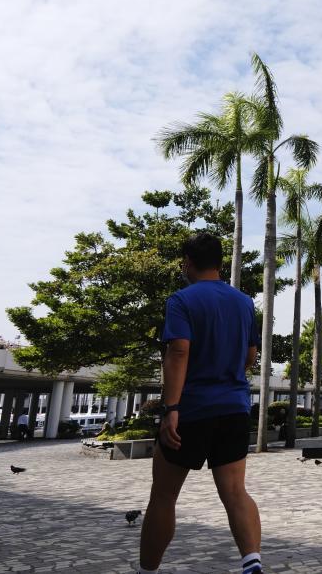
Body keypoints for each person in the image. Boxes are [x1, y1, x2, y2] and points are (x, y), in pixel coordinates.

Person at [138, 233, 263, 574]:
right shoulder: (244, 303)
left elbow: (179, 350)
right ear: (220, 263)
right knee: (236, 492)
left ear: (188, 262)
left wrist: (170, 409)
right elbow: (250, 356)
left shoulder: (181, 300)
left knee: (163, 496)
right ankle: (252, 564)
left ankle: (146, 571)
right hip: (234, 408)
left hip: (190, 410)